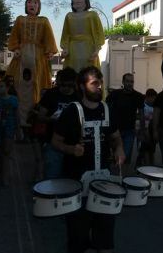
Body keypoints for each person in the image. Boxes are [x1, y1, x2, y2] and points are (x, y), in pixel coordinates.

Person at [52, 67, 125, 253]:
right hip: (77, 184)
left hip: (103, 184)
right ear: (82, 87)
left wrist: (119, 149)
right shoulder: (71, 112)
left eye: (100, 83)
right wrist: (71, 149)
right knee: (78, 242)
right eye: (94, 84)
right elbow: (55, 142)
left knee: (105, 241)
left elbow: (116, 137)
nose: (99, 87)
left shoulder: (107, 110)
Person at [7, 0, 58, 132]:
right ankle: (19, 123)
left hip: (38, 59)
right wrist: (16, 48)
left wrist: (49, 52)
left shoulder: (44, 21)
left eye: (35, 3)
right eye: (29, 2)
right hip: (21, 58)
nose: (32, 5)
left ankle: (33, 124)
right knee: (19, 87)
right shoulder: (19, 20)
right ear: (26, 5)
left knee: (36, 88)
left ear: (39, 6)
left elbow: (49, 39)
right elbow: (13, 37)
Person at [37, 67, 78, 180]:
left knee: (70, 180)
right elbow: (40, 117)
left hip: (72, 144)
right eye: (64, 85)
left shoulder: (78, 96)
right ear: (60, 82)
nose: (67, 89)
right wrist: (52, 119)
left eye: (70, 86)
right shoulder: (51, 94)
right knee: (52, 178)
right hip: (52, 143)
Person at [60, 0, 105, 72]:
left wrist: (97, 50)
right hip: (73, 52)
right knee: (73, 74)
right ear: (72, 1)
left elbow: (99, 32)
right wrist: (65, 48)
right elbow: (65, 35)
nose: (78, 0)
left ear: (86, 0)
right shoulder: (69, 16)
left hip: (88, 50)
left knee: (88, 75)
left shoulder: (93, 15)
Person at [105, 73, 144, 166]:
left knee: (125, 156)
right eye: (127, 81)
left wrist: (142, 131)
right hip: (115, 130)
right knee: (116, 155)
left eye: (132, 81)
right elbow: (106, 108)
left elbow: (142, 114)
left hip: (129, 130)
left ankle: (123, 176)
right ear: (123, 82)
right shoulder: (115, 94)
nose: (130, 83)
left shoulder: (138, 96)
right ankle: (117, 175)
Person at [0, 79, 19, 186]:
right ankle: (1, 174)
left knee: (6, 152)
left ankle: (5, 177)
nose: (0, 88)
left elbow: (17, 115)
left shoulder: (13, 99)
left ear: (7, 88)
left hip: (10, 127)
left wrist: (18, 129)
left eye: (2, 86)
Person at [137, 88, 158, 166]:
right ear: (148, 97)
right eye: (153, 98)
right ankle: (146, 164)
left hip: (152, 132)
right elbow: (139, 119)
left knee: (152, 150)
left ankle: (151, 164)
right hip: (143, 131)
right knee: (144, 149)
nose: (154, 100)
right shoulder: (142, 106)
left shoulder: (154, 108)